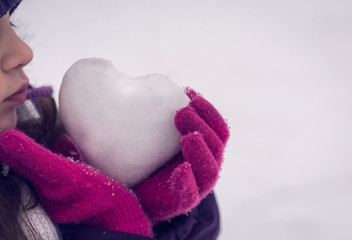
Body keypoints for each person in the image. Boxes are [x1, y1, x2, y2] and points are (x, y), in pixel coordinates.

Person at [0, 1, 230, 239]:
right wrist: (118, 224)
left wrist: (156, 213)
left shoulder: (38, 122)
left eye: (11, 22)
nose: (24, 52)